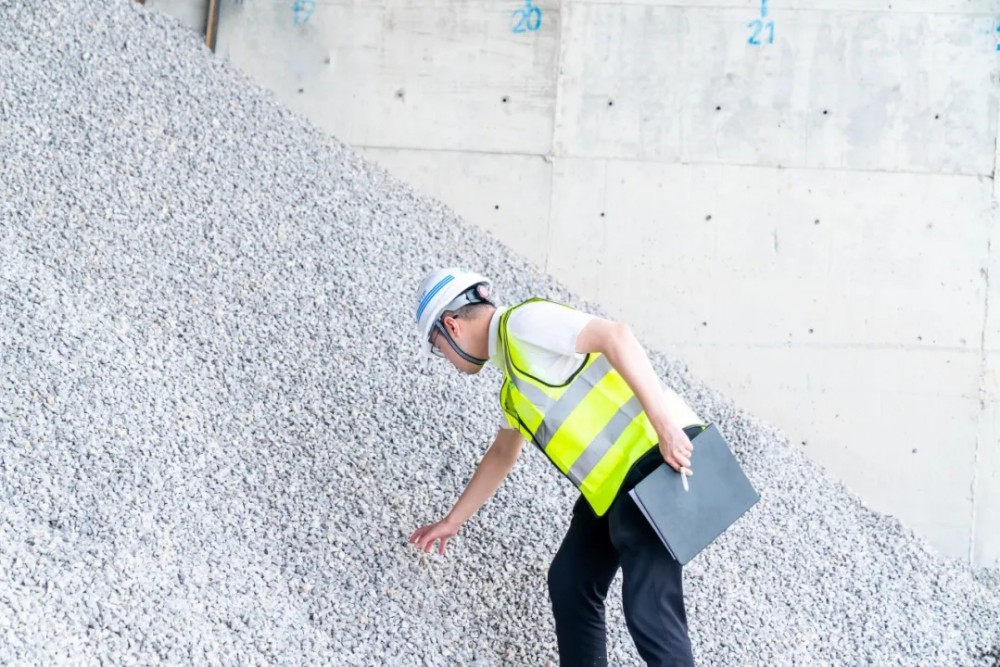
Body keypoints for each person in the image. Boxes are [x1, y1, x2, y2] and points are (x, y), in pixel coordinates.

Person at [408, 267, 704, 667]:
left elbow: (616, 335)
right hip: (614, 488)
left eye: (435, 346)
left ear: (451, 325)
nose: (442, 358)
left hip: (656, 460)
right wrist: (453, 520)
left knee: (649, 610)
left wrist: (665, 426)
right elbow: (502, 453)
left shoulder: (524, 324)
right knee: (572, 581)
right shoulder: (513, 386)